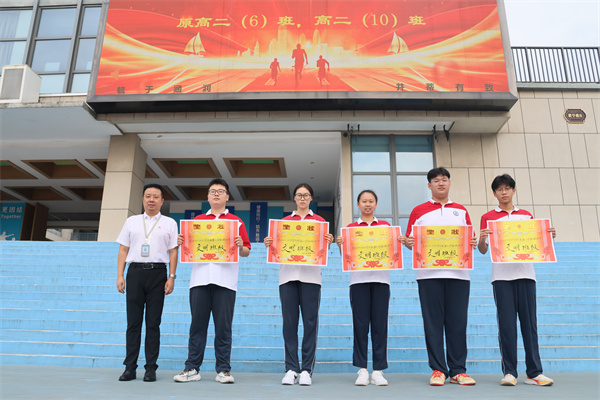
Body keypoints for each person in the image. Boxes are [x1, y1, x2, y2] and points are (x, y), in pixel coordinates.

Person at [478, 174, 556, 387]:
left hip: (526, 275)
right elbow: (483, 250)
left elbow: (537, 244)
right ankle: (510, 372)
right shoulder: (488, 218)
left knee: (530, 325)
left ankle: (534, 372)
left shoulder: (526, 215)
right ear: (494, 193)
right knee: (506, 325)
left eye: (507, 188)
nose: (503, 192)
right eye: (499, 189)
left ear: (514, 190)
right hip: (501, 277)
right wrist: (482, 238)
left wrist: (548, 236)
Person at [173, 178, 251, 384]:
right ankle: (192, 368)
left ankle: (223, 370)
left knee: (223, 328)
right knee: (197, 326)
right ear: (207, 196)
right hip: (199, 281)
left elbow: (246, 251)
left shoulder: (236, 222)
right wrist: (181, 242)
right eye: (213, 191)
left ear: (227, 196)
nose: (216, 194)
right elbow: (188, 250)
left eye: (220, 191)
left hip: (226, 282)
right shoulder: (196, 222)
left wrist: (240, 245)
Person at [404, 167, 477, 386]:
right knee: (433, 323)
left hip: (459, 275)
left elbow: (470, 238)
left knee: (458, 323)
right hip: (428, 275)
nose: (441, 183)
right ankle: (438, 369)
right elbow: (410, 240)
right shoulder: (419, 211)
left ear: (450, 183)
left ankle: (458, 370)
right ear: (429, 185)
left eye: (444, 179)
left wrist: (473, 241)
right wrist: (408, 242)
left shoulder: (461, 211)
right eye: (436, 180)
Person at [264, 183, 334, 386]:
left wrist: (328, 241)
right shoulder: (284, 223)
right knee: (289, 324)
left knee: (310, 324)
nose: (302, 198)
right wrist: (270, 243)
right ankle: (291, 368)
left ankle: (306, 370)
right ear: (294, 198)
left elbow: (322, 251)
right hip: (287, 277)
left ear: (311, 198)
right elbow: (276, 248)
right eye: (299, 195)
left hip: (311, 279)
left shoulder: (319, 222)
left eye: (306, 195)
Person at [335, 190, 405, 386]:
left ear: (376, 204)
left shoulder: (385, 227)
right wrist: (341, 245)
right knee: (360, 325)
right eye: (364, 201)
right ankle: (362, 369)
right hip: (358, 282)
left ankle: (378, 370)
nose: (367, 204)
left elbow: (392, 253)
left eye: (371, 201)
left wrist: (398, 242)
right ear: (358, 204)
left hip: (381, 281)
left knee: (380, 326)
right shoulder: (351, 228)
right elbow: (346, 257)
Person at [116, 183, 179, 382]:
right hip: (134, 273)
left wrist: (172, 276)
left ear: (162, 201)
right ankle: (130, 368)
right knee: (133, 323)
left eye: (156, 196)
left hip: (158, 274)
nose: (151, 200)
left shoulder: (170, 223)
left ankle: (150, 368)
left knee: (153, 324)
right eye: (148, 196)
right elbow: (123, 249)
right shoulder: (131, 221)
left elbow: (173, 251)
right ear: (143, 199)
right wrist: (120, 275)